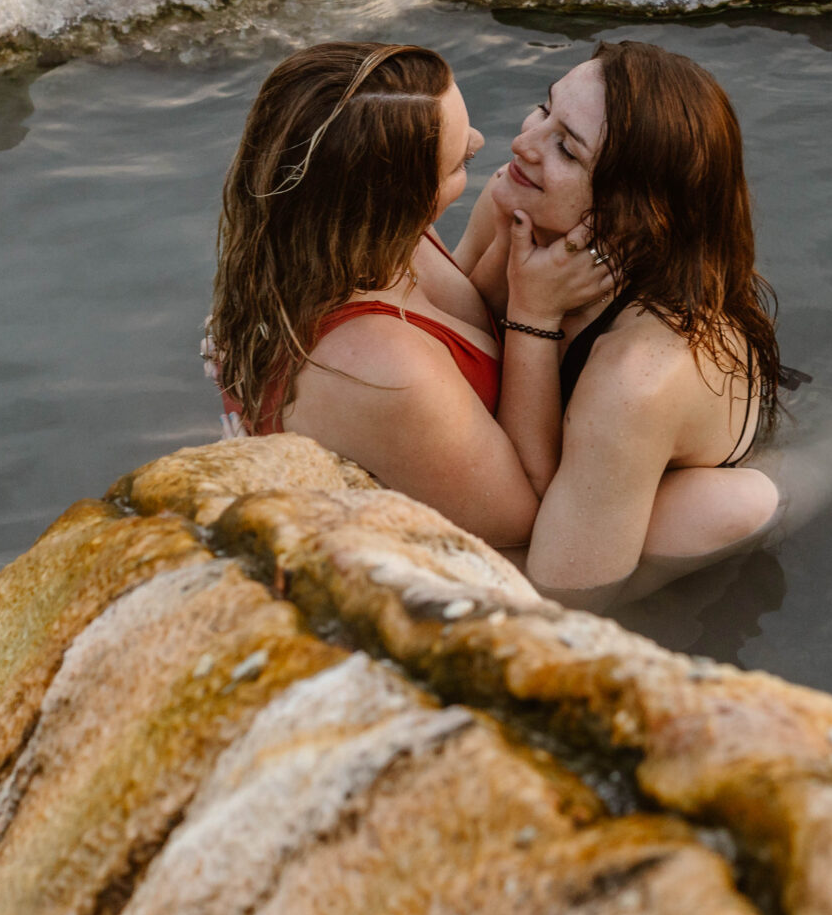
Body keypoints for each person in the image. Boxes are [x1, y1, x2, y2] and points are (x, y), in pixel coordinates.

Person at [203, 41, 608, 550]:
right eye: (461, 163)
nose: (485, 140)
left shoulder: (353, 240)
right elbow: (521, 525)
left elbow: (463, 317)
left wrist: (511, 242)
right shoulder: (382, 366)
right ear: (392, 201)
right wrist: (536, 315)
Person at [451, 40, 785, 609]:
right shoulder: (519, 198)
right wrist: (506, 268)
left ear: (631, 213)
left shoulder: (639, 375)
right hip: (584, 471)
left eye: (566, 148)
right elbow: (450, 338)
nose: (522, 143)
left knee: (722, 508)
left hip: (692, 478)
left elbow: (564, 597)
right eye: (544, 108)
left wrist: (533, 314)